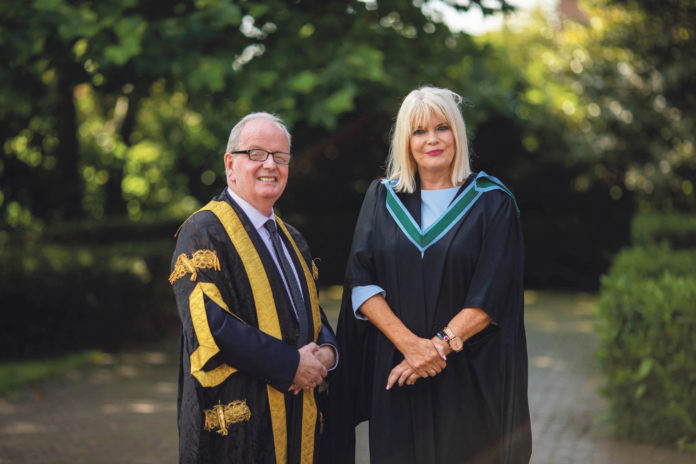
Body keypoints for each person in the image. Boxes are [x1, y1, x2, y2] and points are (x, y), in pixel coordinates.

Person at [323, 87, 531, 463]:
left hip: (464, 376)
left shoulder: (492, 201)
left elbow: (491, 294)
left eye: (442, 127)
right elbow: (361, 283)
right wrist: (410, 346)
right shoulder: (383, 198)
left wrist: (433, 348)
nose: (432, 139)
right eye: (419, 131)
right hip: (396, 373)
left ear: (458, 134)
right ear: (406, 140)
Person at [170, 112, 337, 464]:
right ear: (230, 164)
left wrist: (327, 352)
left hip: (297, 418)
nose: (270, 165)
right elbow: (211, 325)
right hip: (239, 430)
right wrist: (290, 364)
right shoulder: (203, 232)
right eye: (257, 154)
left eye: (280, 156)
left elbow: (309, 310)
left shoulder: (294, 239)